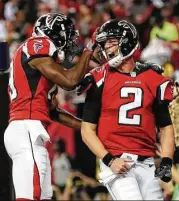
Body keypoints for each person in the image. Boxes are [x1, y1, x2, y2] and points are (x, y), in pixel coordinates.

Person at [4, 12, 96, 200]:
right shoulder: (37, 44)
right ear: (52, 33)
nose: (69, 40)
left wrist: (86, 125)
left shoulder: (42, 65)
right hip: (26, 128)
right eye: (66, 34)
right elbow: (69, 81)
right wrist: (88, 50)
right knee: (31, 196)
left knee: (42, 196)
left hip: (30, 130)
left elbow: (53, 111)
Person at [80, 19, 175, 200]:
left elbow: (165, 127)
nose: (106, 48)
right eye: (105, 43)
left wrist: (167, 160)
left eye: (112, 42)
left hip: (146, 163)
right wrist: (109, 160)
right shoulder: (99, 78)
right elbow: (87, 130)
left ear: (127, 41)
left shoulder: (152, 78)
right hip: (116, 160)